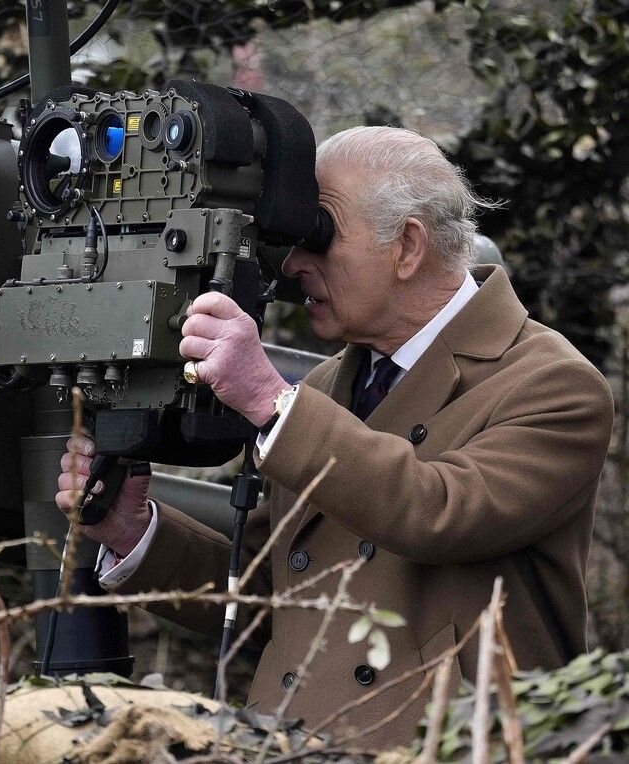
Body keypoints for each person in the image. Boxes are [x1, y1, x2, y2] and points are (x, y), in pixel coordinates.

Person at [55, 126, 614, 746]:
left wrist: (271, 402)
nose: (294, 263)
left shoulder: (553, 383)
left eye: (319, 234)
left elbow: (438, 511)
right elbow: (273, 593)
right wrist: (135, 533)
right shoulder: (327, 387)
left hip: (444, 747)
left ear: (406, 247)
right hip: (289, 741)